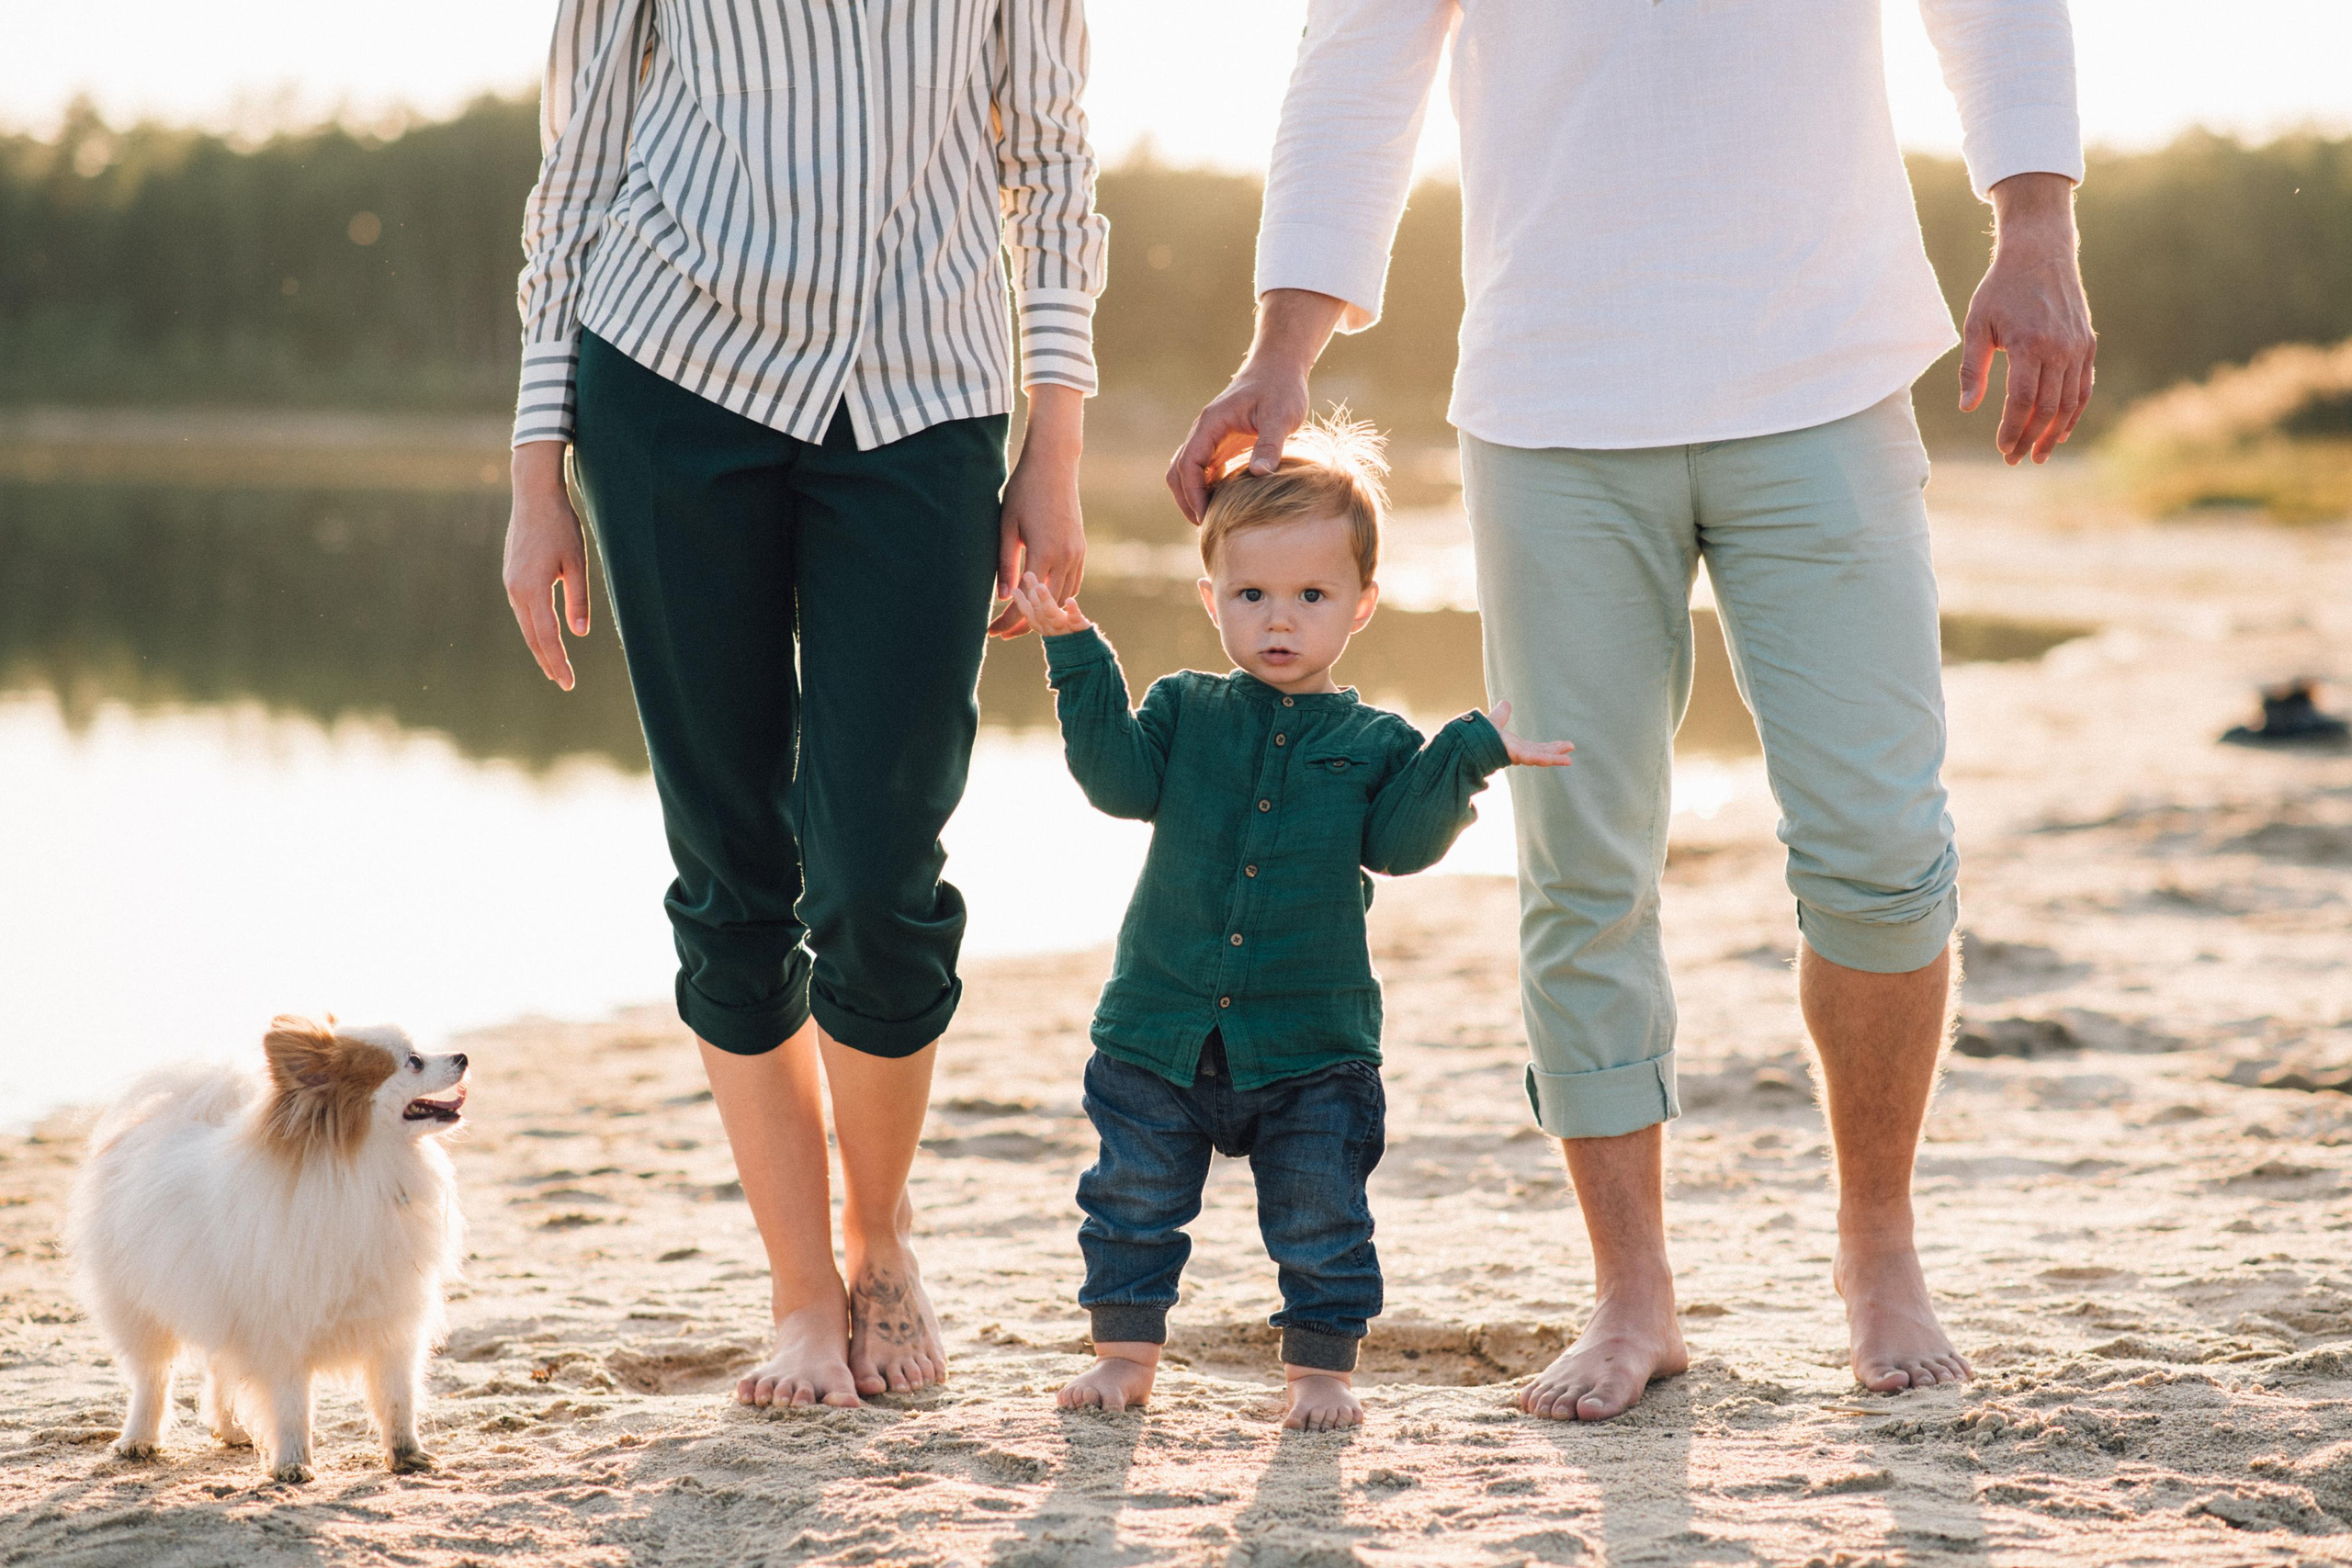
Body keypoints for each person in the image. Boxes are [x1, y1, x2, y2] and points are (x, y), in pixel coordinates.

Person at [1170, 0, 2098, 1420]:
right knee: (1581, 867)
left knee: (1879, 843)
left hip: (1825, 361)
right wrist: (1282, 343)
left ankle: (1879, 1248)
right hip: (1554, 392)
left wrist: (2035, 225)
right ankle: (1633, 1293)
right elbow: (1356, 52)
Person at [499, 0, 1108, 1409]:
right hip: (669, 375)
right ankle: (796, 1289)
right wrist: (538, 470)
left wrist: (1055, 432)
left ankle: (879, 1227)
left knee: (883, 864)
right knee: (728, 857)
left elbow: (1054, 158)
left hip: (925, 391)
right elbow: (577, 167)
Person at [1009, 421, 1572, 1429]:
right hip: (1158, 1030)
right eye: (1252, 596)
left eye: (1311, 597)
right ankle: (1124, 1357)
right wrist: (1073, 653)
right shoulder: (1183, 710)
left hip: (1311, 1049)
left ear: (1358, 607)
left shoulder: (1374, 742)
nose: (1280, 620)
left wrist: (1471, 750)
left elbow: (1401, 846)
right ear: (1211, 598)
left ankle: (1319, 1374)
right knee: (1131, 1203)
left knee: (1321, 1218)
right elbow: (1115, 781)